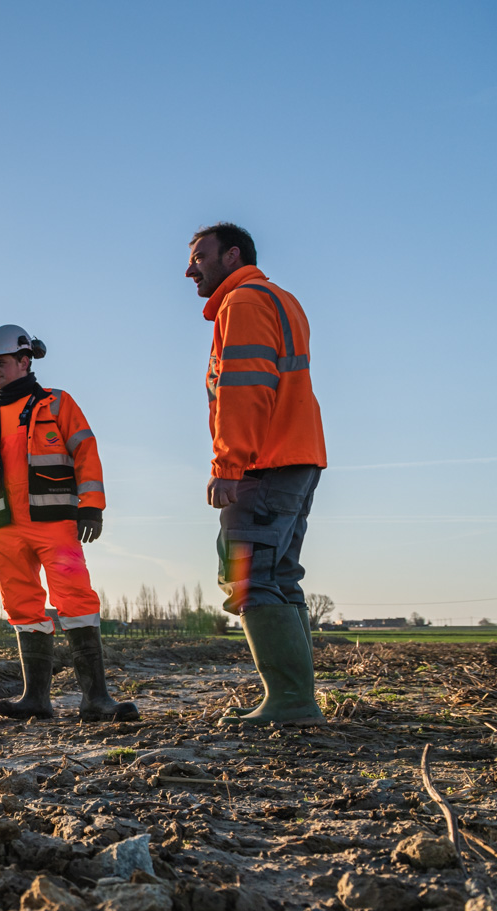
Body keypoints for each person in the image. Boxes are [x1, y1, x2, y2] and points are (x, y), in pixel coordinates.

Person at [0, 325, 137, 723]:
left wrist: (92, 505)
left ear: (24, 360)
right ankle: (35, 699)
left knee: (76, 601)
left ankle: (96, 699)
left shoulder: (57, 404)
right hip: (5, 528)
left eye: (1, 363)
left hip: (56, 524)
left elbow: (85, 450)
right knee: (22, 606)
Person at [186, 222, 326, 726]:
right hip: (297, 456)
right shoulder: (280, 298)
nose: (189, 269)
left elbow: (243, 388)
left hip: (263, 463)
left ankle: (291, 702)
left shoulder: (242, 303)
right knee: (281, 577)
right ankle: (295, 698)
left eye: (200, 257)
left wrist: (228, 464)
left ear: (232, 255)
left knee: (249, 580)